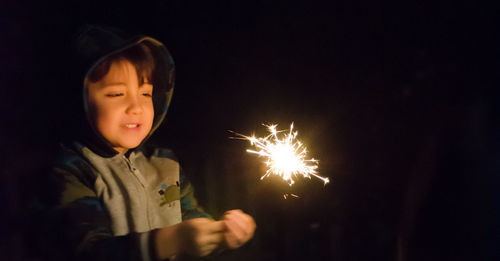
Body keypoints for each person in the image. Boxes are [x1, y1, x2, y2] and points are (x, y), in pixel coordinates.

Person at [41, 25, 256, 261]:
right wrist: (170, 240)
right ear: (80, 102)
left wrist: (220, 234)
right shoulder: (71, 171)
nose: (136, 108)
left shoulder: (164, 163)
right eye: (116, 94)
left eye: (145, 94)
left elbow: (189, 219)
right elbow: (89, 250)